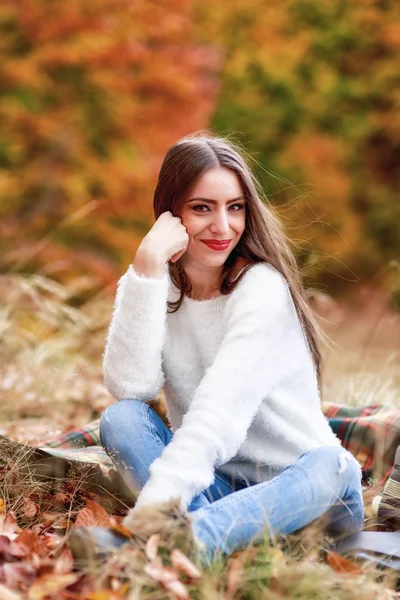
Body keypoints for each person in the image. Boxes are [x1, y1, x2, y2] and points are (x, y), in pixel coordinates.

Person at [97, 132, 364, 564]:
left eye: (235, 207)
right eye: (202, 207)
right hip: (219, 491)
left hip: (308, 496)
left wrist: (149, 510)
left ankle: (185, 542)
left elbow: (219, 413)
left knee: (335, 463)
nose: (223, 227)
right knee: (121, 418)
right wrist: (146, 268)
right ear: (171, 212)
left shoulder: (260, 290)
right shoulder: (152, 287)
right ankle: (217, 543)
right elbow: (131, 385)